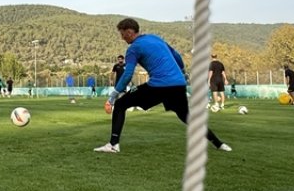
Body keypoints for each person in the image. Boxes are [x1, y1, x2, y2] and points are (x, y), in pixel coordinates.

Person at [94, 18, 231, 153]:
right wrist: (180, 72)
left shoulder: (133, 48)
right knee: (186, 116)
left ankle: (113, 145)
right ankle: (219, 144)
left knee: (120, 104)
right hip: (178, 84)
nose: (122, 38)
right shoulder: (155, 38)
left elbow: (128, 73)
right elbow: (177, 56)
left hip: (159, 86)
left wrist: (112, 96)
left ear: (129, 32)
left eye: (122, 34)